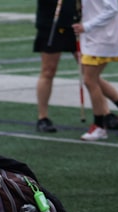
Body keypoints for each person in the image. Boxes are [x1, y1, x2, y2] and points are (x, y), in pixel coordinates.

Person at [74, 0, 118, 141]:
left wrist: (86, 26)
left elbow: (112, 9)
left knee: (89, 80)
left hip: (102, 37)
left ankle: (100, 126)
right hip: (91, 37)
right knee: (93, 79)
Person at [33, 0, 80, 132]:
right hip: (50, 24)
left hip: (74, 23)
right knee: (48, 71)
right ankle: (42, 117)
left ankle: (108, 111)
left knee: (88, 70)